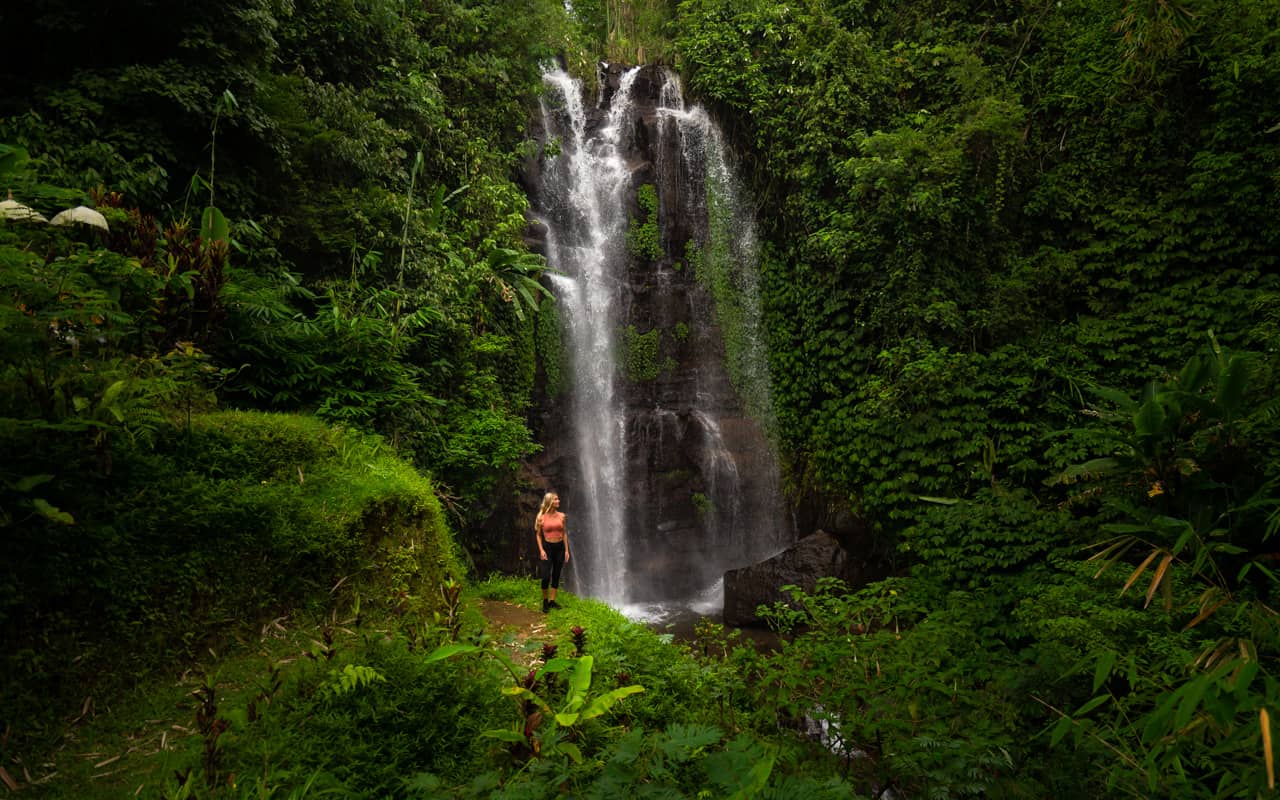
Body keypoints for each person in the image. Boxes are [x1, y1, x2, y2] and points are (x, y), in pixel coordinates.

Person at [534, 491, 570, 613]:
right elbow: (538, 535)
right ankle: (545, 601)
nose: (558, 501)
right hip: (548, 547)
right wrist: (541, 550)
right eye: (556, 499)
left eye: (558, 499)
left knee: (556, 574)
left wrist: (566, 550)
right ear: (550, 502)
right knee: (545, 576)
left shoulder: (562, 516)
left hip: (559, 547)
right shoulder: (541, 517)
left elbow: (564, 533)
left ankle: (552, 601)